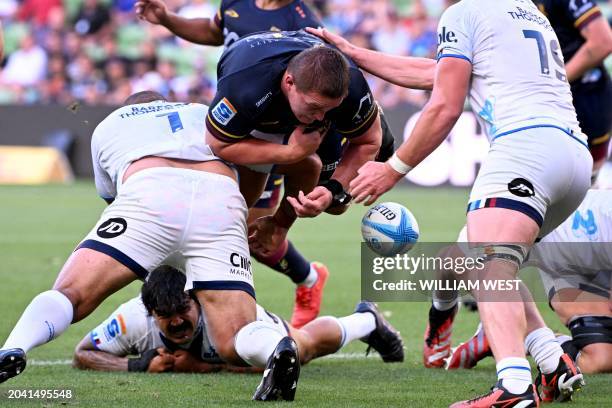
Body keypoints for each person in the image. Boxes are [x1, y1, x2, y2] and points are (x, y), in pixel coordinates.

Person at [309, 0, 593, 405]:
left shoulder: (465, 12)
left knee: (487, 263)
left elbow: (445, 104)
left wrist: (393, 168)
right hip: (571, 158)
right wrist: (355, 54)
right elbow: (436, 73)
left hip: (523, 151)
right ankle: (553, 362)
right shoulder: (527, 11)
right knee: (491, 262)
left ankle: (513, 388)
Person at [0, 91, 301, 401]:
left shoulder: (110, 123)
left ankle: (14, 346)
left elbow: (114, 197)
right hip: (220, 197)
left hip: (152, 191)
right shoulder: (203, 112)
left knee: (72, 294)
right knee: (234, 334)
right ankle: (275, 347)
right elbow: (254, 170)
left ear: (130, 109)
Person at [135, 0, 375, 329]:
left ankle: (301, 279)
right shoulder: (238, 28)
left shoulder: (303, 20)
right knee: (237, 227)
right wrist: (167, 19)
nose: (323, 114)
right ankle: (225, 300)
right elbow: (211, 31)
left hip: (304, 126)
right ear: (289, 82)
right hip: (254, 122)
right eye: (318, 107)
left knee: (327, 207)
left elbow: (362, 138)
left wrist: (333, 189)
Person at [73, 265, 404, 373]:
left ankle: (366, 321)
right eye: (164, 316)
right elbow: (83, 353)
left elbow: (274, 366)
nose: (175, 322)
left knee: (303, 348)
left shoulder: (228, 315)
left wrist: (206, 365)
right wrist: (134, 366)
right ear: (149, 312)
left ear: (196, 300)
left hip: (247, 326)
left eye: (182, 311)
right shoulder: (132, 317)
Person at [447, 189, 612, 377]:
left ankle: (514, 335)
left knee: (602, 359)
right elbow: (460, 254)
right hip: (561, 248)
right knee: (600, 360)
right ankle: (507, 329)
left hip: (595, 253)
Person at [534, 0, 612, 184]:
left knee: (581, 191)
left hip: (585, 101)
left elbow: (602, 42)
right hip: (546, 103)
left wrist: (554, 82)